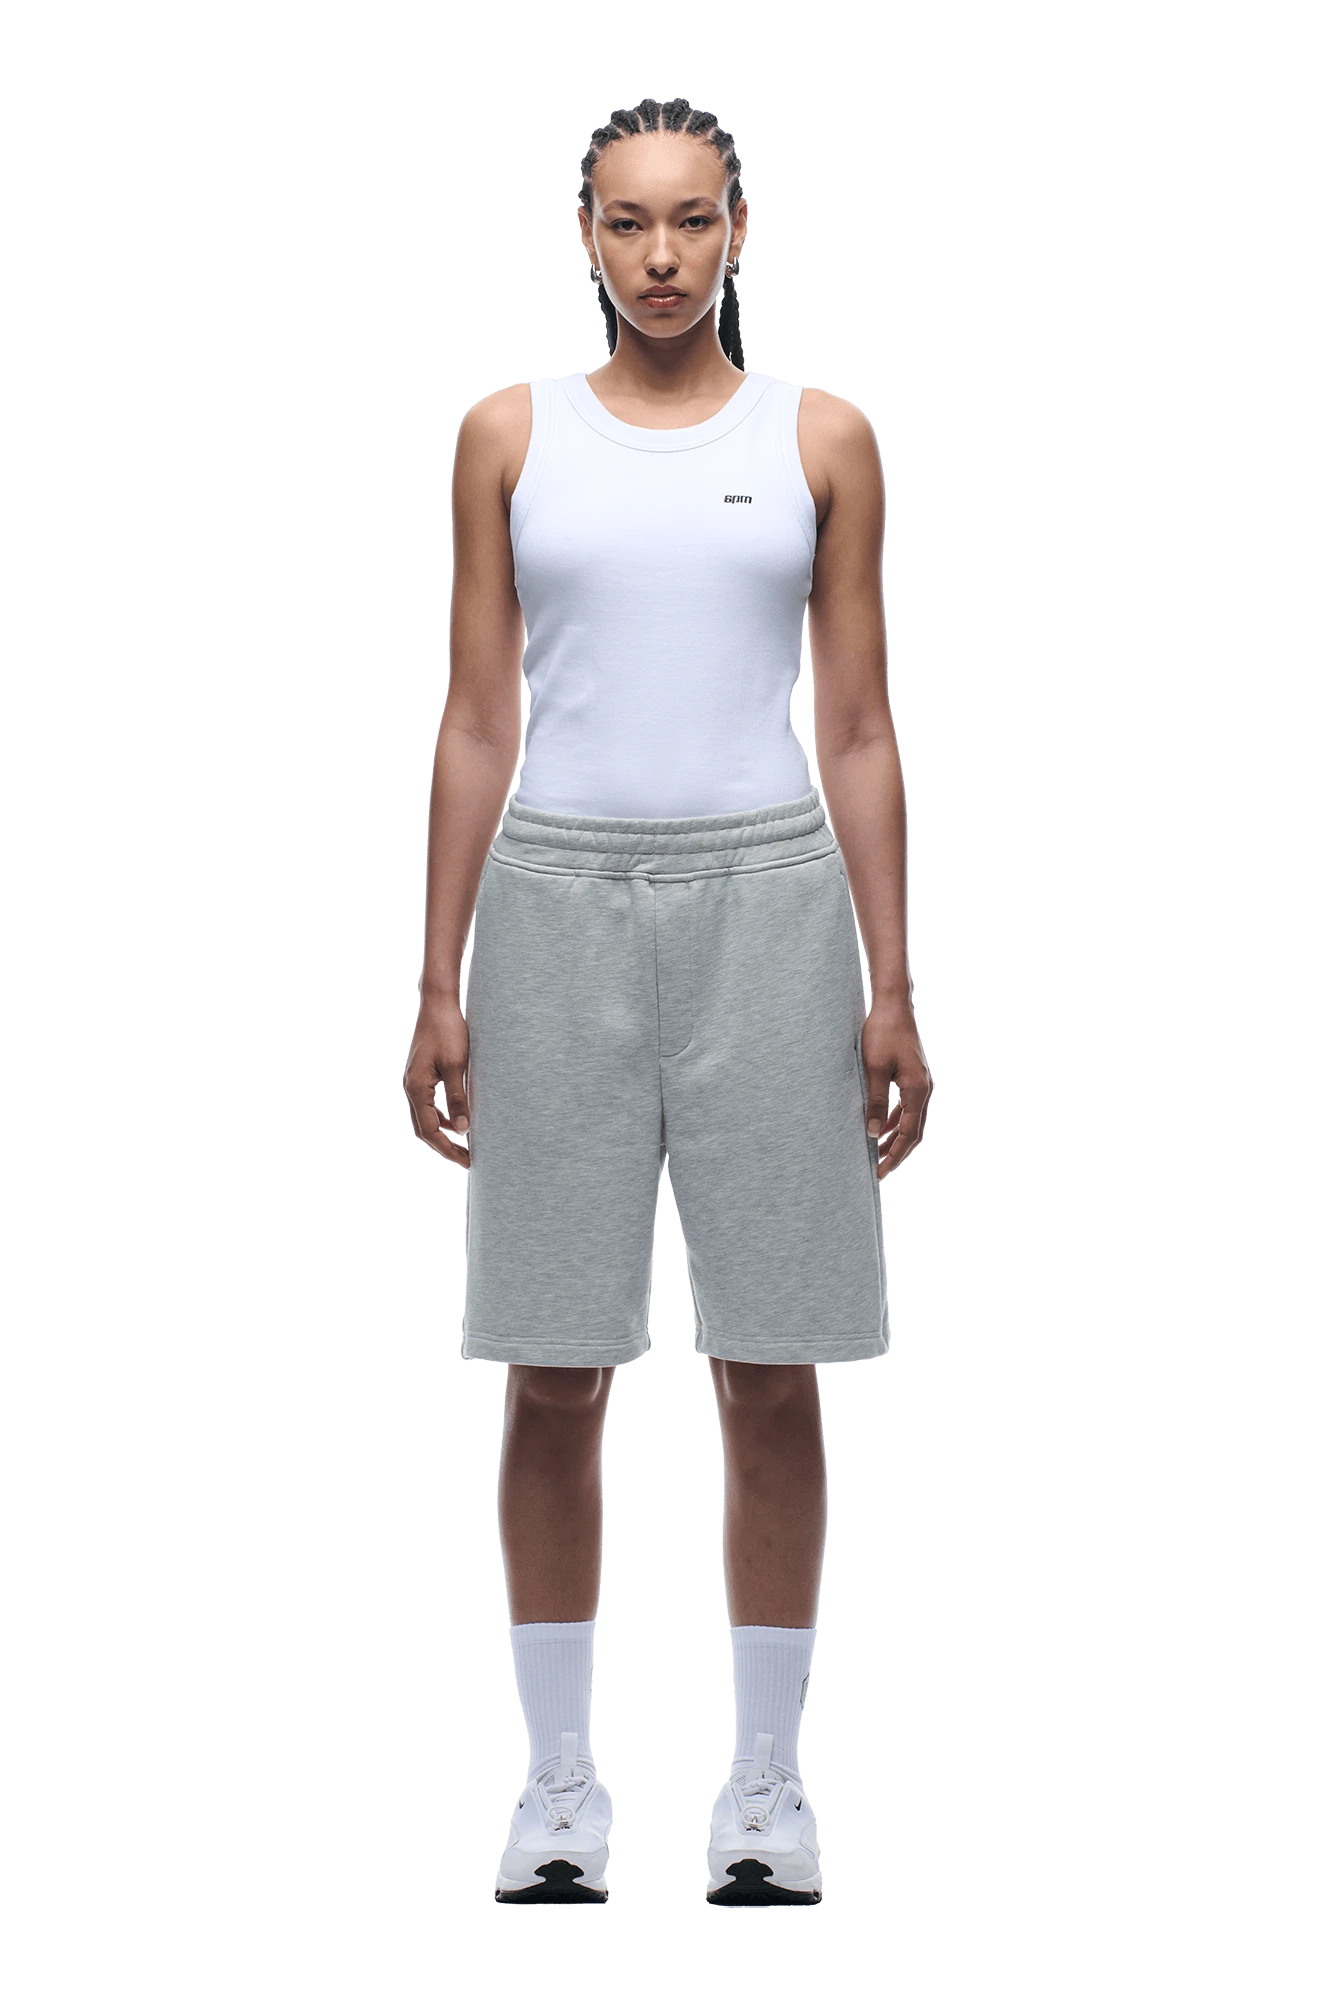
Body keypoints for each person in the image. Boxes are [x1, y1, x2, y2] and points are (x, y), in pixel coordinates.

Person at [405, 97, 931, 1907]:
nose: (660, 256)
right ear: (584, 234)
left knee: (771, 1361)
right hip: (551, 903)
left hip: (771, 905)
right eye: (627, 221)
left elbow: (854, 725)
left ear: (739, 228)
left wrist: (892, 981)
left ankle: (766, 1796)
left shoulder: (820, 439)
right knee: (552, 1363)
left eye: (691, 219)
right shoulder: (510, 435)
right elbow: (479, 717)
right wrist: (440, 977)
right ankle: (559, 1789)